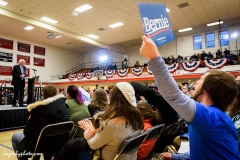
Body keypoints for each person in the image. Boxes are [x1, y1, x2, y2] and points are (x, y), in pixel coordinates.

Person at [139, 35, 239, 159]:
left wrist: (154, 57)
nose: (196, 82)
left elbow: (174, 95)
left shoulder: (211, 117)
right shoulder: (212, 117)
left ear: (208, 89)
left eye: (201, 80)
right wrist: (176, 157)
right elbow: (203, 149)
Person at [56, 82, 144, 160]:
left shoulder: (114, 123)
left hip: (106, 156)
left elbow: (93, 145)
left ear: (114, 98)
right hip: (130, 157)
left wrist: (88, 130)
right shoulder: (137, 119)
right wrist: (95, 130)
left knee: (70, 146)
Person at [11, 85, 69, 160]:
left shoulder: (38, 110)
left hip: (39, 145)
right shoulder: (64, 106)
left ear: (44, 96)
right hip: (58, 143)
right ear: (56, 93)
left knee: (15, 136)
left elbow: (27, 132)